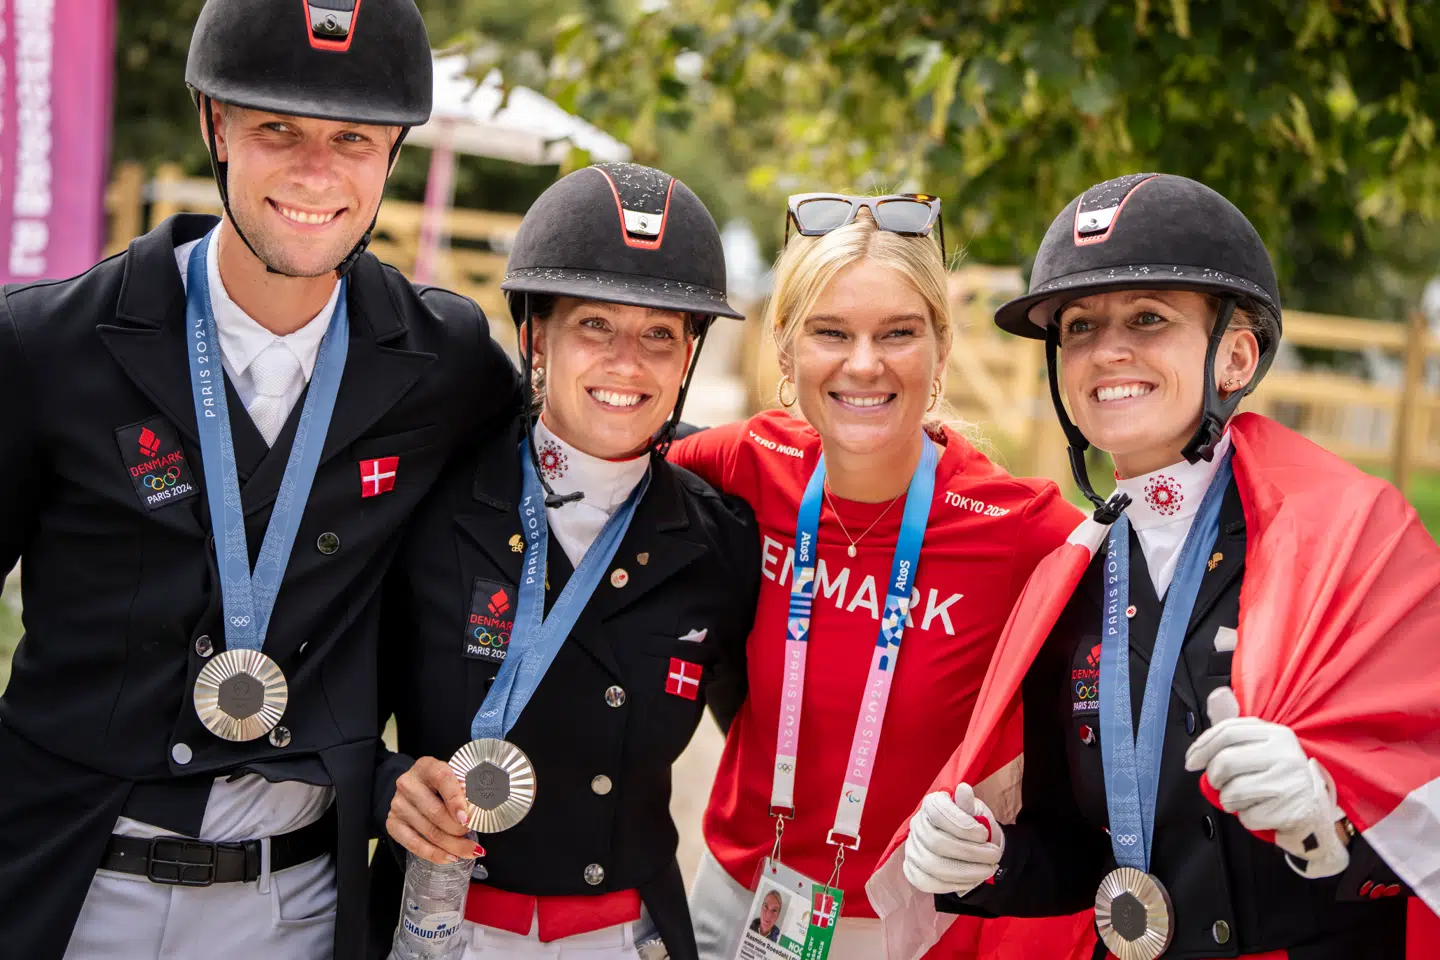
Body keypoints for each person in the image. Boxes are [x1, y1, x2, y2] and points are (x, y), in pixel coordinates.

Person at [0, 2, 519, 958]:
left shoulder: (447, 362)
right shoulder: (44, 344)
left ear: (394, 152)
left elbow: (569, 471)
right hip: (71, 887)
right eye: (277, 127)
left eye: (353, 139)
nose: (317, 171)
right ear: (214, 123)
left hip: (297, 908)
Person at [874, 173, 1440, 960]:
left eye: (1148, 318)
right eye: (1078, 327)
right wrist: (991, 861)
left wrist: (1336, 823)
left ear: (1235, 356)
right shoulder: (1070, 579)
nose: (1107, 351)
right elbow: (1089, 856)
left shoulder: (1355, 542)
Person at [665, 193, 1084, 960]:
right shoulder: (750, 462)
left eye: (898, 333)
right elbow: (603, 465)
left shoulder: (1019, 528)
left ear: (940, 350)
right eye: (831, 333)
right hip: (735, 899)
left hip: (910, 928)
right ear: (787, 352)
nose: (865, 363)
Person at [370, 162, 761, 960]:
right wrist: (384, 782)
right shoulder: (431, 505)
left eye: (659, 334)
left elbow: (767, 732)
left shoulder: (720, 543)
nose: (628, 363)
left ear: (690, 354)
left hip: (621, 937)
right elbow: (332, 704)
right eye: (595, 326)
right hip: (436, 926)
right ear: (535, 335)